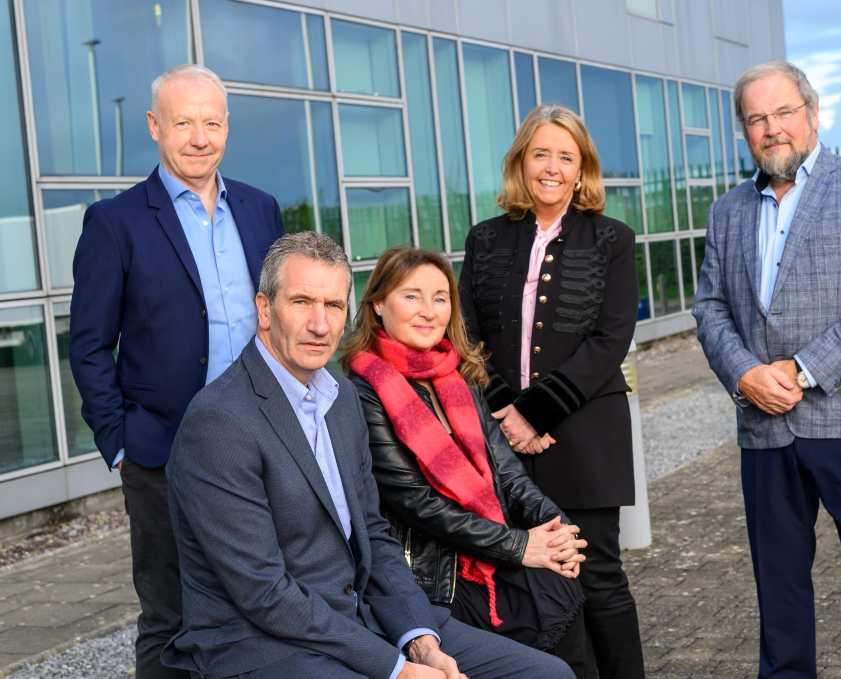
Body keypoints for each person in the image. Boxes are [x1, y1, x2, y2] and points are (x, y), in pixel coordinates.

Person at [161, 232, 575, 679]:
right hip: (265, 644)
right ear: (264, 309)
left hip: (363, 618)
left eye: (334, 306)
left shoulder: (338, 401)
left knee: (549, 674)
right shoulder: (219, 422)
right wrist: (396, 668)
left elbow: (375, 536)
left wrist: (421, 641)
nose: (320, 324)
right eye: (302, 302)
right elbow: (263, 593)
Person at [691, 60, 841, 678]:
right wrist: (745, 374)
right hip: (766, 430)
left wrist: (799, 373)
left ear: (813, 113)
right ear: (743, 130)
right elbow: (711, 307)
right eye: (756, 119)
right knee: (780, 602)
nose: (772, 129)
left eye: (783, 113)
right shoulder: (727, 212)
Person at [68, 64, 284, 678]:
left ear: (227, 128)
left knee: (270, 601)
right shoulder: (116, 222)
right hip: (163, 451)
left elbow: (283, 317)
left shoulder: (261, 209)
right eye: (183, 122)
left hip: (261, 441)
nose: (198, 137)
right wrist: (120, 443)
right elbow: (88, 345)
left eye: (211, 122)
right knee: (170, 617)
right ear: (154, 127)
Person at [458, 105, 644, 679]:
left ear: (582, 168)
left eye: (566, 157)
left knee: (597, 576)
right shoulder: (485, 239)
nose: (553, 167)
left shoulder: (612, 238)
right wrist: (505, 413)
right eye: (541, 153)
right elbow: (467, 335)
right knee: (531, 581)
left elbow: (611, 338)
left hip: (586, 438)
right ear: (521, 162)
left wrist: (534, 413)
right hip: (502, 441)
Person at [342, 247, 590, 675]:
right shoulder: (362, 392)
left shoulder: (457, 377)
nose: (428, 311)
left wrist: (556, 527)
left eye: (440, 298)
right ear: (378, 304)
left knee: (572, 630)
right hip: (434, 576)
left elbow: (507, 472)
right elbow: (416, 503)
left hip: (491, 548)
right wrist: (520, 547)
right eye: (412, 296)